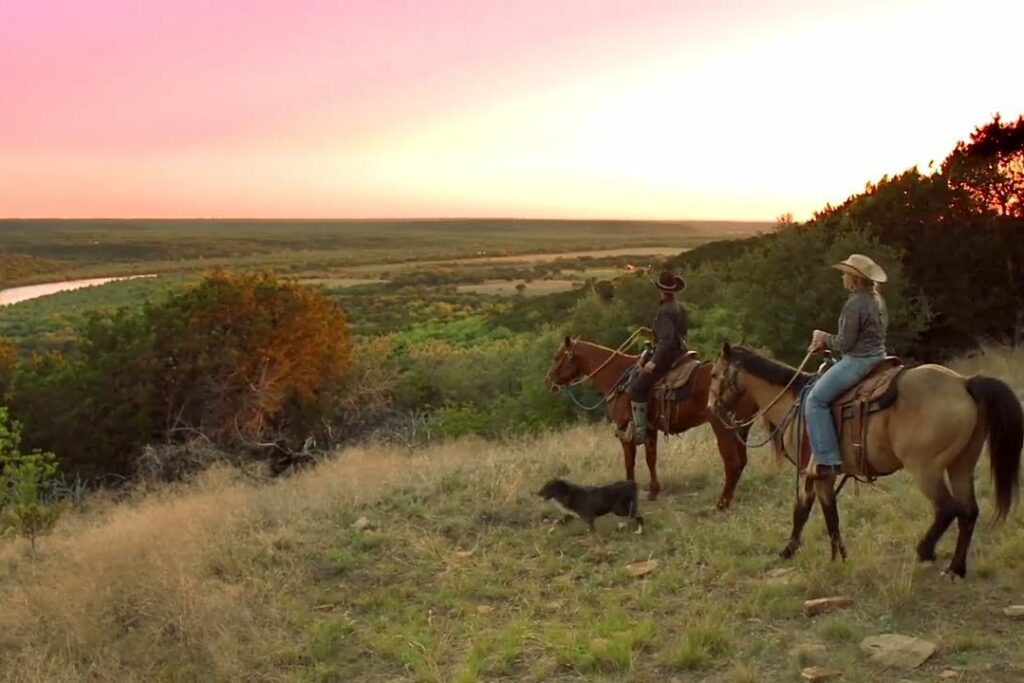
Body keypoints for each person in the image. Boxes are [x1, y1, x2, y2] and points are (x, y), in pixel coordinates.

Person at [806, 253, 889, 478]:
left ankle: (828, 460)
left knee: (814, 401)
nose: (842, 277)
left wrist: (823, 338)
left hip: (859, 361)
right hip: (881, 358)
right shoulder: (876, 299)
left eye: (845, 273)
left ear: (853, 278)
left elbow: (845, 343)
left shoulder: (855, 303)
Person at [627, 270, 688, 440]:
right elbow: (679, 331)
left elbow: (666, 341)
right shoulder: (678, 307)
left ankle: (640, 432)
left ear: (660, 289)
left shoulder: (664, 310)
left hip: (667, 355)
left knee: (636, 389)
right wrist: (652, 332)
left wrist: (654, 362)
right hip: (680, 351)